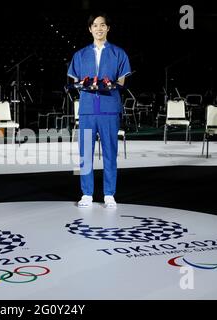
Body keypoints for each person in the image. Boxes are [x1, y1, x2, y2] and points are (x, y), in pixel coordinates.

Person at [67, 12, 131, 209]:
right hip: (87, 109)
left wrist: (110, 86)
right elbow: (75, 81)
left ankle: (109, 194)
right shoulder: (80, 55)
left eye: (102, 25)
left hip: (109, 109)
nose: (99, 28)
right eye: (95, 25)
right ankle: (86, 194)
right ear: (90, 29)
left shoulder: (118, 53)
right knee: (85, 153)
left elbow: (121, 82)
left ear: (108, 28)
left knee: (110, 152)